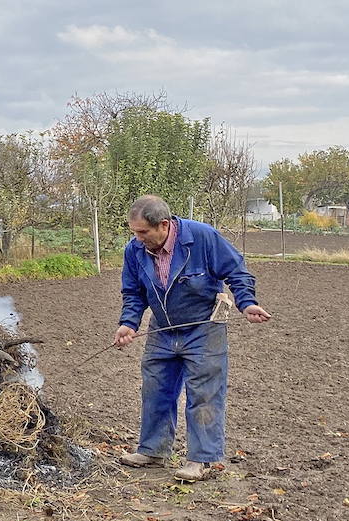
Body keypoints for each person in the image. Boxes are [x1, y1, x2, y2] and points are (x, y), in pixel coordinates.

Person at [112, 195, 271, 481]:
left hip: (203, 330)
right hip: (162, 330)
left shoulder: (202, 237)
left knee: (204, 394)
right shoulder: (134, 250)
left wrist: (246, 303)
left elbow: (236, 271)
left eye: (142, 232)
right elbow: (133, 293)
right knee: (155, 390)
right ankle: (152, 450)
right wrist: (128, 324)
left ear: (163, 225)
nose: (137, 238)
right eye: (134, 232)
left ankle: (201, 460)